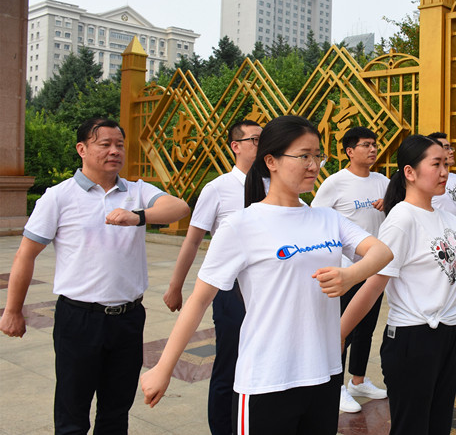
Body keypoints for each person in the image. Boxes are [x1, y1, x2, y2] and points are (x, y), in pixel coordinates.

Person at [140, 116, 393, 435]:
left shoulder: (328, 219)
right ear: (271, 161)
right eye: (304, 155)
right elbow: (199, 300)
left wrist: (351, 274)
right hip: (266, 379)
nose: (313, 165)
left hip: (324, 373)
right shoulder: (241, 225)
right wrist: (163, 368)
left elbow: (382, 252)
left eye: (317, 155)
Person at [0, 118, 190, 434]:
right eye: (105, 144)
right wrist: (13, 310)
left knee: (116, 411)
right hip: (79, 319)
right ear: (82, 149)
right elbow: (25, 255)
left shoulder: (137, 191)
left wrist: (137, 216)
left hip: (128, 319)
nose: (114, 151)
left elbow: (179, 207)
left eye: (119, 145)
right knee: (72, 412)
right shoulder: (58, 197)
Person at [340, 135, 456, 435]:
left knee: (439, 424)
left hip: (448, 335)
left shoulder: (447, 220)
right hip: (412, 338)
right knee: (412, 427)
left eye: (446, 164)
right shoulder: (402, 220)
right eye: (436, 164)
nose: (444, 172)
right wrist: (339, 334)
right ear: (410, 172)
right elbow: (374, 285)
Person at [162, 119, 261, 434]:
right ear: (236, 146)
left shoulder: (275, 186)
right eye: (255, 139)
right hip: (231, 290)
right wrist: (176, 287)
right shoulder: (218, 189)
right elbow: (193, 241)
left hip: (267, 291)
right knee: (229, 364)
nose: (261, 145)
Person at [311, 126, 390, 413]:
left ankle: (358, 380)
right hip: (346, 271)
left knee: (366, 328)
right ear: (349, 151)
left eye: (374, 144)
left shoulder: (384, 182)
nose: (373, 149)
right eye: (366, 145)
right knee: (342, 330)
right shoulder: (335, 183)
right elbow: (316, 218)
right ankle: (337, 387)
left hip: (375, 269)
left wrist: (390, 203)